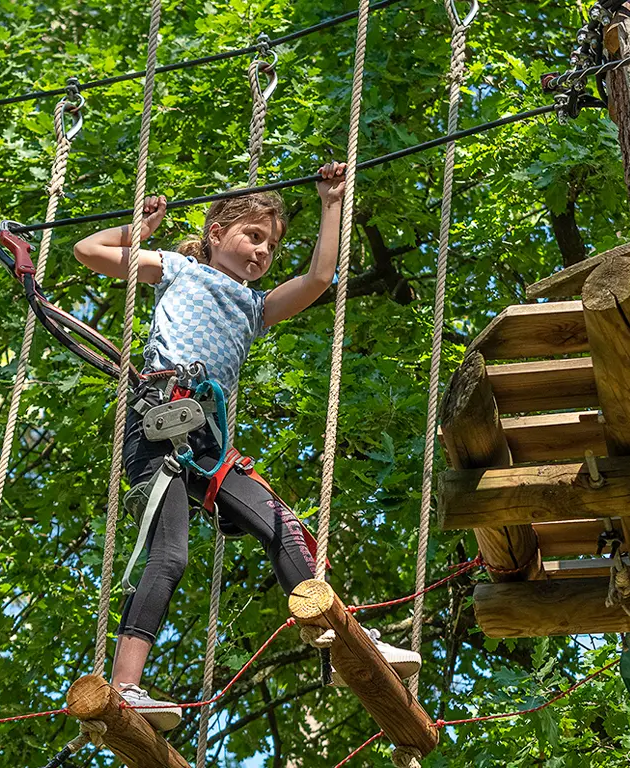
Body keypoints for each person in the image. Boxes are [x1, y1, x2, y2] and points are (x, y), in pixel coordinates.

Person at [73, 163, 420, 731]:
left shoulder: (255, 309)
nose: (262, 252)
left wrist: (332, 203)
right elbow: (89, 249)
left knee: (283, 526)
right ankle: (125, 686)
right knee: (170, 554)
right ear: (216, 234)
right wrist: (141, 230)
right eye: (252, 236)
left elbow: (319, 280)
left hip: (207, 439)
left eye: (271, 245)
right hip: (159, 421)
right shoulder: (180, 269)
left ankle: (350, 641)